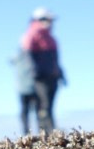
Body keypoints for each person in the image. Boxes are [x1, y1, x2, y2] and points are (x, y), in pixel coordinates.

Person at [18, 7, 65, 135]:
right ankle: (46, 133)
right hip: (40, 78)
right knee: (42, 106)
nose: (50, 22)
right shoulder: (30, 36)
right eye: (47, 19)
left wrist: (61, 74)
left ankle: (49, 133)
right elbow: (27, 56)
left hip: (52, 77)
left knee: (48, 106)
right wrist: (34, 72)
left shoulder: (51, 39)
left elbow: (55, 60)